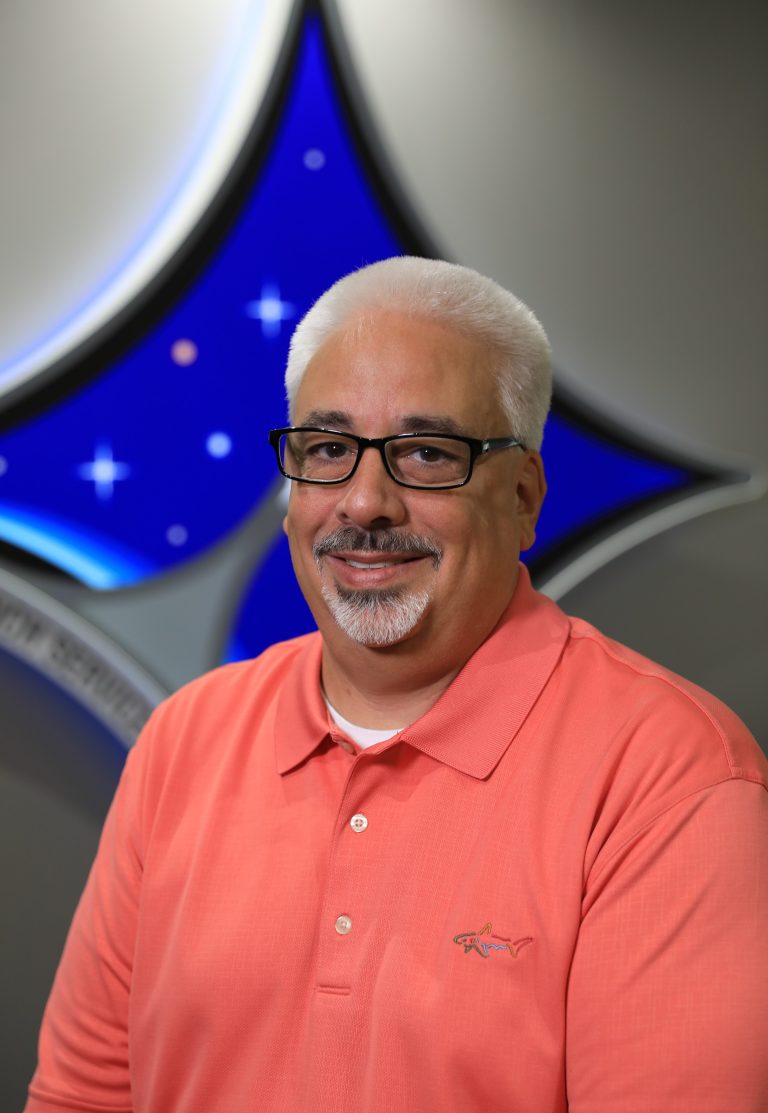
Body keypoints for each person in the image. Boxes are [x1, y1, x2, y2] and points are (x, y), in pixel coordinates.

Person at [26, 257, 768, 1113]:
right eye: (330, 449)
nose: (365, 502)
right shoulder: (185, 739)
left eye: (424, 452)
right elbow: (81, 1100)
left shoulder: (670, 777)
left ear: (523, 495)